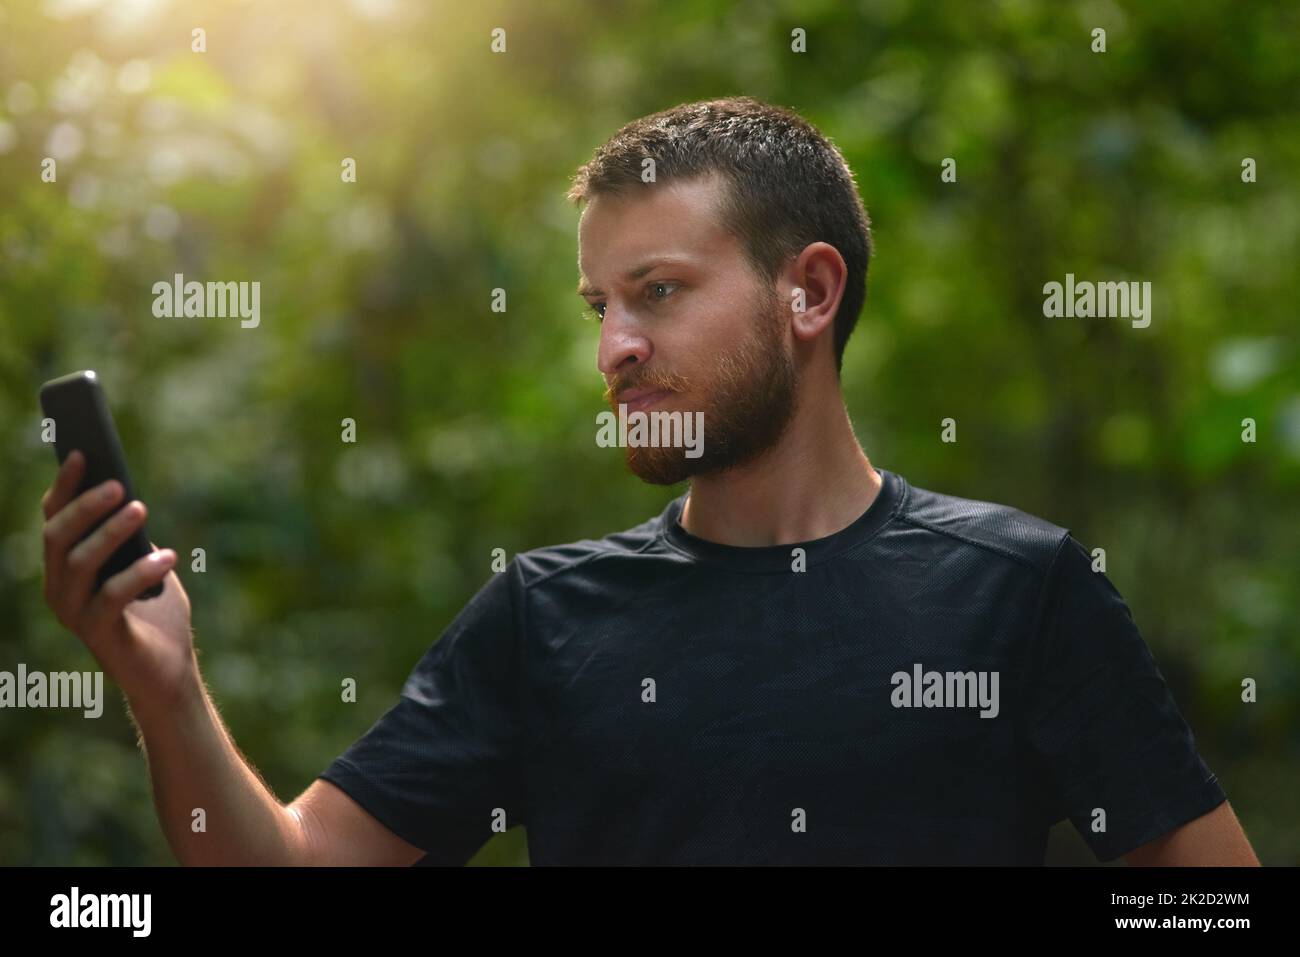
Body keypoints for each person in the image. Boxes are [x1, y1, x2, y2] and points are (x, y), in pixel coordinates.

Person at [40, 96, 1258, 865]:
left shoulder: (1020, 591)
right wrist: (167, 690)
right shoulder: (541, 619)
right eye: (600, 305)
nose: (614, 347)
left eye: (659, 292)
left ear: (810, 294)